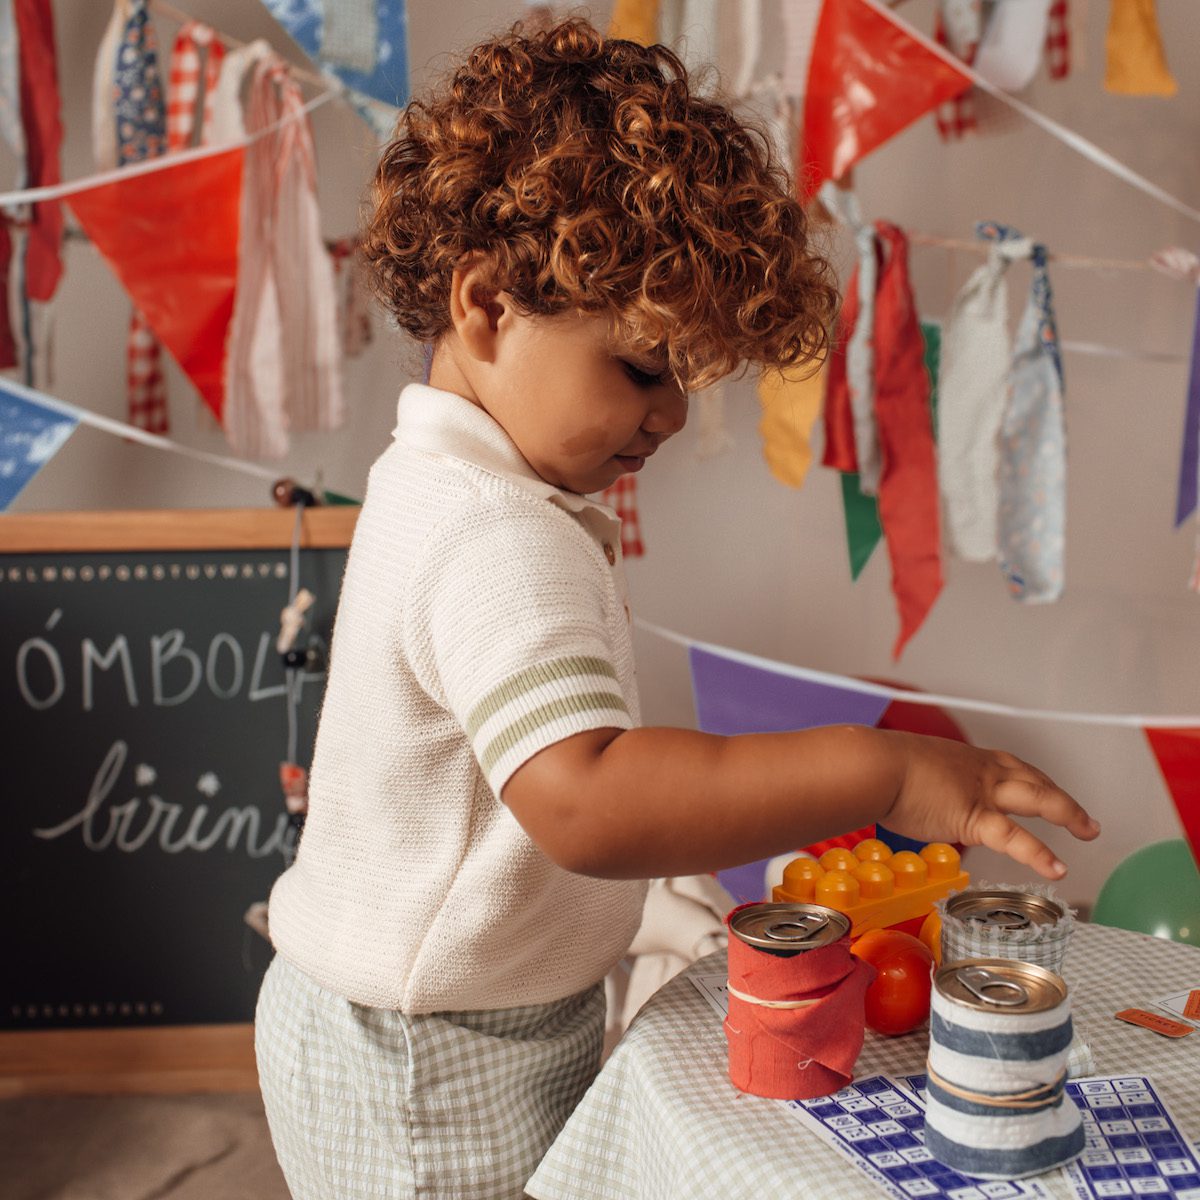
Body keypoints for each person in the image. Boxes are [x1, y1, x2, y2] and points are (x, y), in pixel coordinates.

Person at [254, 18, 1100, 1200]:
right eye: (643, 370)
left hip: (437, 1022)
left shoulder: (448, 484)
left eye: (686, 380)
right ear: (487, 307)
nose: (671, 418)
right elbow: (587, 801)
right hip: (425, 1063)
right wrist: (882, 772)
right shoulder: (495, 536)